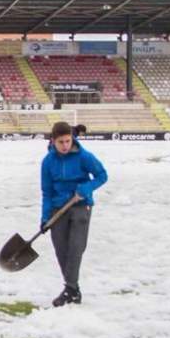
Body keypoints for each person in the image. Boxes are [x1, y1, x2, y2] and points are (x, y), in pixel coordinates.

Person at [41, 121, 109, 307]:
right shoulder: (47, 162)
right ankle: (73, 290)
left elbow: (102, 175)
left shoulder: (83, 157)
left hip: (80, 205)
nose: (65, 146)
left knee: (75, 248)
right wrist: (45, 218)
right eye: (61, 142)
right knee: (61, 250)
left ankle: (70, 289)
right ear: (53, 141)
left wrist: (86, 188)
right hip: (58, 208)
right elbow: (47, 192)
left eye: (68, 141)